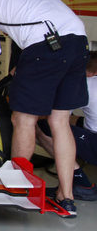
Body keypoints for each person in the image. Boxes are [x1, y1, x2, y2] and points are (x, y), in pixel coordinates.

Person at [0, 0, 89, 217]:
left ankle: (19, 188)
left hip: (45, 46)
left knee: (22, 119)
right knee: (60, 121)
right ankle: (67, 196)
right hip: (78, 41)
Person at [34, 51, 97, 201]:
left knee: (45, 127)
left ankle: (81, 182)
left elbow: (56, 118)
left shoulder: (85, 82)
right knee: (73, 121)